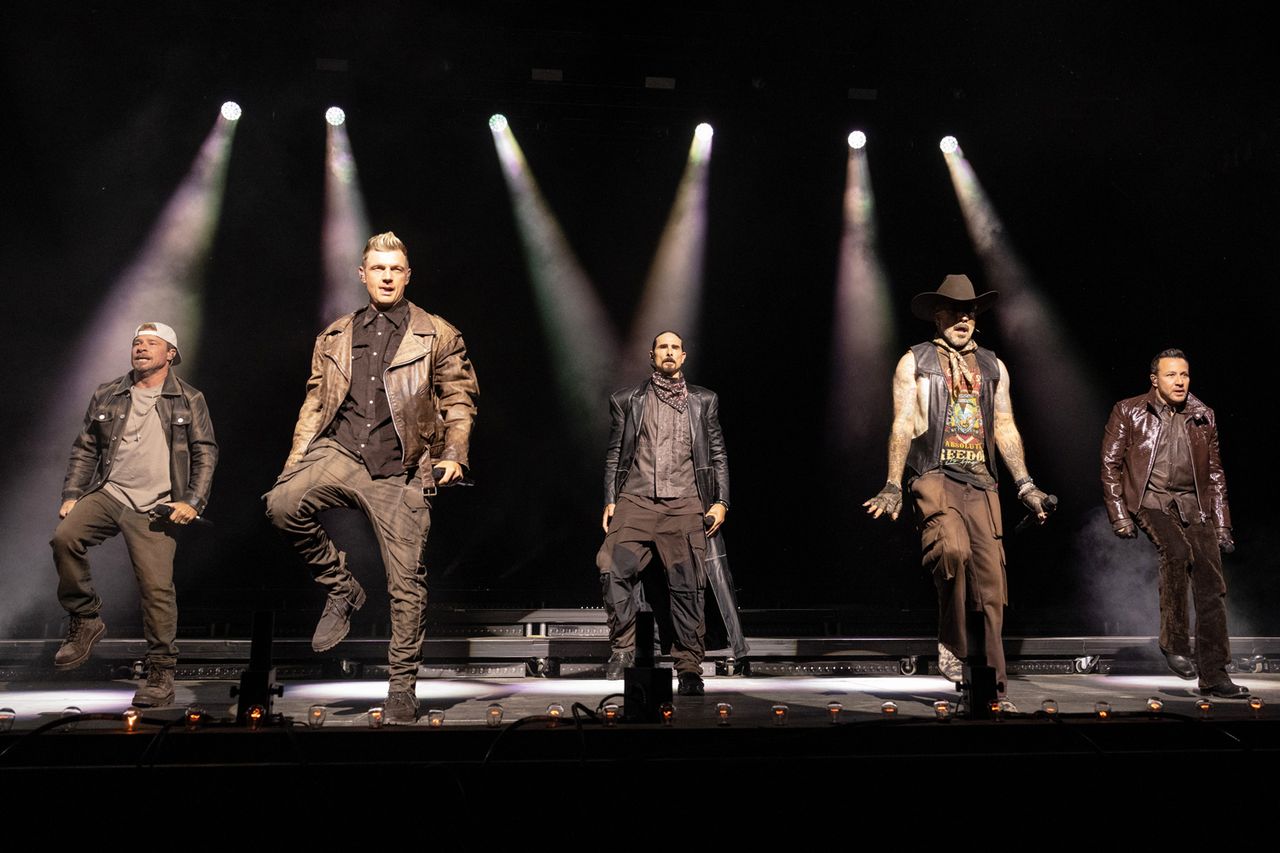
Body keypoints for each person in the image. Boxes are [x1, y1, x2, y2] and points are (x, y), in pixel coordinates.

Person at [265, 231, 479, 724]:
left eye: (395, 269)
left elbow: (459, 399)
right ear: (362, 274)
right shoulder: (336, 334)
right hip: (340, 450)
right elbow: (316, 402)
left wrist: (454, 453)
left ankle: (401, 686)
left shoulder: (437, 333)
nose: (386, 276)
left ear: (407, 275)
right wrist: (296, 461)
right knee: (281, 503)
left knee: (406, 584)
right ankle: (341, 586)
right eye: (377, 268)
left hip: (400, 463)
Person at [863, 275, 1049, 706]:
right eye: (954, 309)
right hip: (934, 474)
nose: (964, 317)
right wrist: (893, 483)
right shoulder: (916, 361)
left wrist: (1026, 485)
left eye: (971, 311)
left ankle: (993, 692)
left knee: (993, 589)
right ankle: (953, 642)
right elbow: (903, 424)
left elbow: (1004, 426)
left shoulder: (993, 366)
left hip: (981, 481)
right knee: (951, 549)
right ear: (938, 315)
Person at [51, 322, 218, 707]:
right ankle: (86, 619)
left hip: (157, 506)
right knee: (65, 538)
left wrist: (192, 501)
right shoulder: (108, 393)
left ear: (171, 353)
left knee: (156, 589)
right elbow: (85, 447)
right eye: (137, 343)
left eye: (151, 343)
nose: (141, 348)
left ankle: (160, 672)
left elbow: (205, 452)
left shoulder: (189, 398)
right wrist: (73, 493)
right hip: (110, 493)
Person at [597, 330, 744, 696]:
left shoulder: (703, 400)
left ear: (683, 356)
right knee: (611, 566)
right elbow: (616, 452)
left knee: (687, 586)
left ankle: (689, 667)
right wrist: (610, 498)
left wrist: (721, 502)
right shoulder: (628, 399)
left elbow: (719, 453)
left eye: (674, 347)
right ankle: (623, 649)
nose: (668, 352)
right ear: (651, 355)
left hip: (684, 504)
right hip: (636, 500)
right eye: (662, 346)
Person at [1100, 348, 1247, 698]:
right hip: (1149, 500)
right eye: (1171, 375)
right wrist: (1119, 514)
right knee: (1177, 553)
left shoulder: (1203, 415)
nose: (1180, 381)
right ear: (1155, 380)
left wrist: (1222, 524)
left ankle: (1214, 675)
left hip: (1192, 506)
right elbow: (1110, 465)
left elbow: (1214, 475)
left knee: (1213, 584)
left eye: (1184, 375)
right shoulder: (1129, 410)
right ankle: (1175, 643)